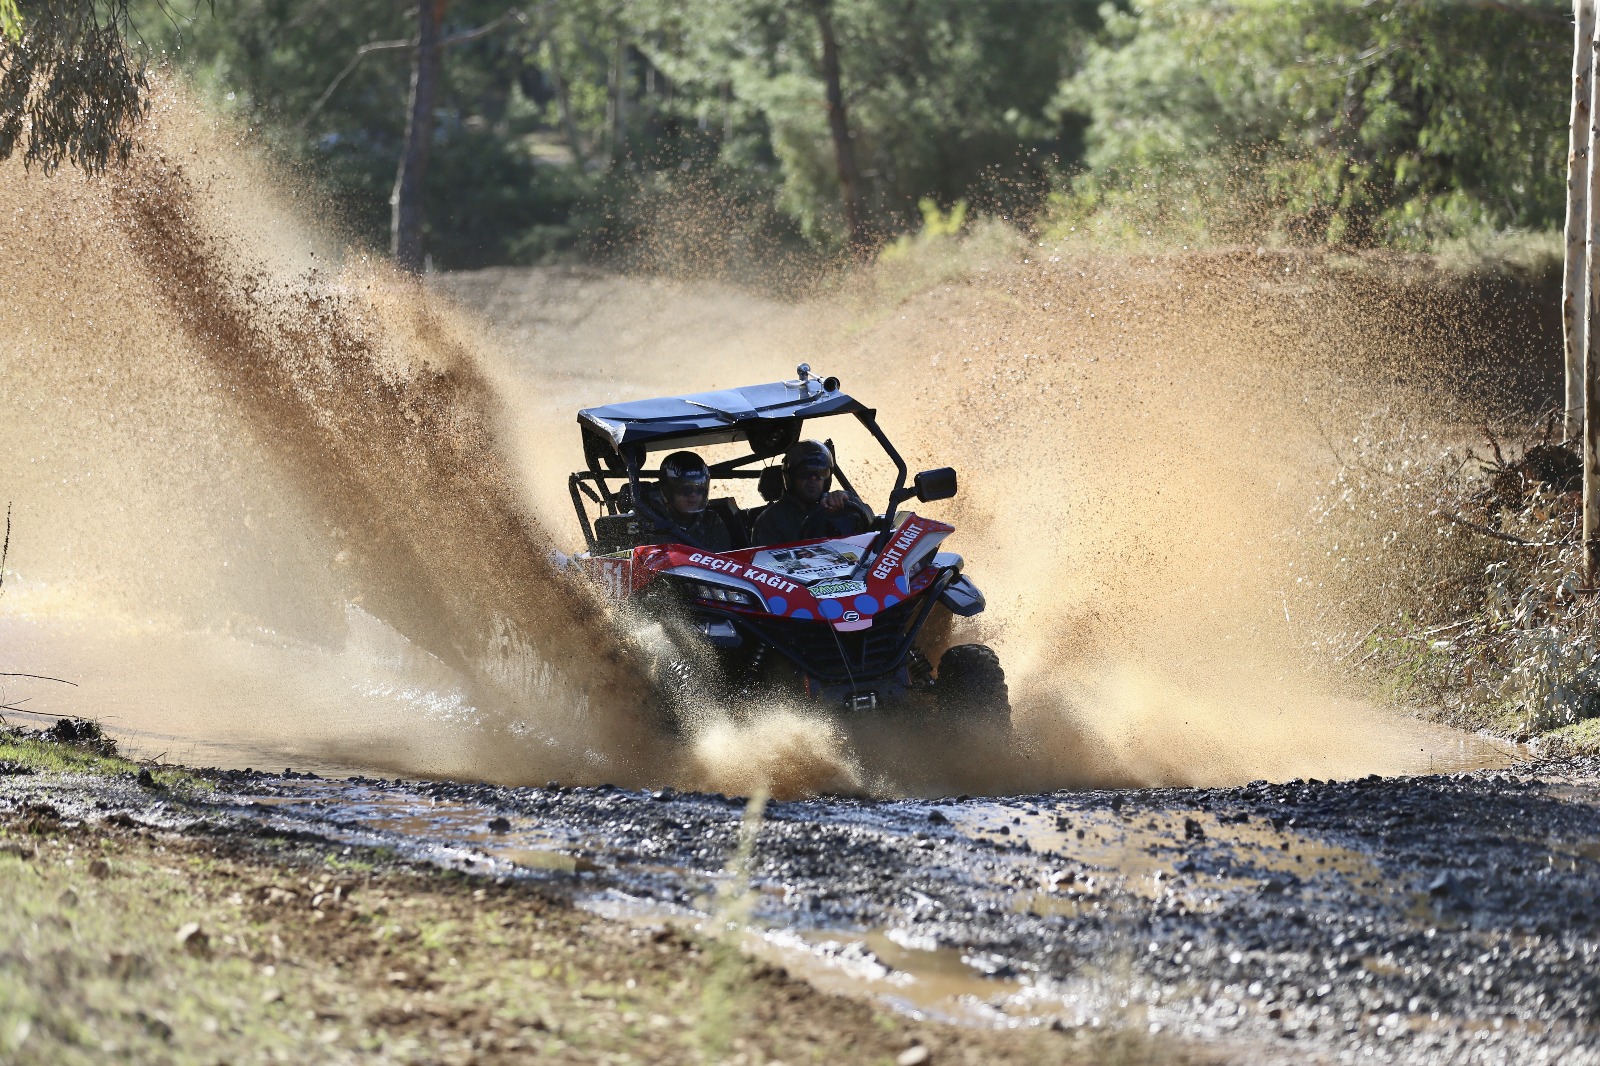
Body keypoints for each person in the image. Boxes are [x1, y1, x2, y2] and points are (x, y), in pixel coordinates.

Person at [752, 439, 873, 546]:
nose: (813, 479)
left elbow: (872, 520)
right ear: (791, 477)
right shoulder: (770, 520)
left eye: (821, 472)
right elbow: (766, 565)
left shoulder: (836, 504)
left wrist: (848, 499)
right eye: (805, 472)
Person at [642, 450, 733, 551]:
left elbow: (723, 560)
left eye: (699, 489)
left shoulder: (711, 521)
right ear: (668, 491)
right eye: (686, 489)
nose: (693, 494)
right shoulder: (649, 523)